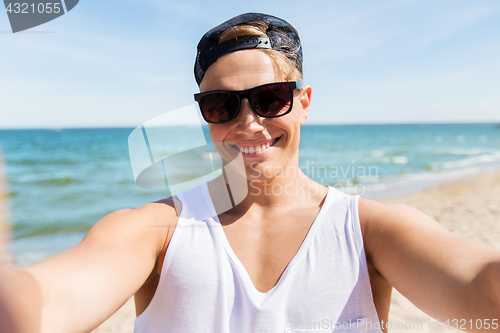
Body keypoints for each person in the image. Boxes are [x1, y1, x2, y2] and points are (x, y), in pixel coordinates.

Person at [0, 12, 499, 333]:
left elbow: (481, 288)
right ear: (204, 114)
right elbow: (44, 306)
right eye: (221, 105)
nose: (249, 123)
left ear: (302, 102)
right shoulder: (153, 232)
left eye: (269, 99)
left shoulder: (370, 231)